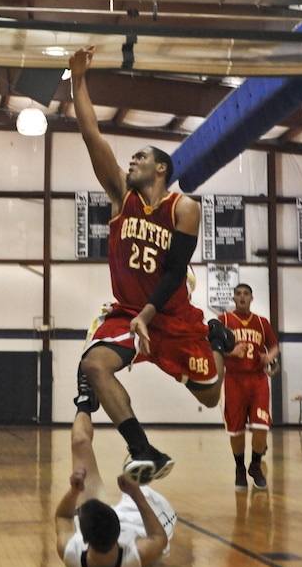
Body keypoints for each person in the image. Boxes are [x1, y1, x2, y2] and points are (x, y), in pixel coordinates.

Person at [69, 46, 234, 485]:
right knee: (94, 365)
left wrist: (150, 313)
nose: (132, 162)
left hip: (171, 316)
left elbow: (175, 272)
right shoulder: (122, 196)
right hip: (128, 312)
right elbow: (92, 136)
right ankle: (143, 449)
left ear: (161, 167)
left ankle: (218, 341)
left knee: (211, 397)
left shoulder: (185, 208)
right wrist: (77, 79)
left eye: (140, 157)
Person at [55, 396, 176, 567]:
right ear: (119, 533)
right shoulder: (138, 553)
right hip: (147, 517)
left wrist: (74, 491)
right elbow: (159, 538)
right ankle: (149, 459)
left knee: (79, 442)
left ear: (84, 539)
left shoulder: (72, 553)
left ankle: (84, 400)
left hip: (106, 527)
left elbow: (63, 516)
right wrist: (136, 494)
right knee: (143, 488)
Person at [218, 283, 279, 490]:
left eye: (246, 294)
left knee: (261, 426)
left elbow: (274, 346)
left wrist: (269, 357)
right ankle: (239, 468)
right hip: (234, 380)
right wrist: (231, 353)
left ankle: (255, 464)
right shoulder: (223, 321)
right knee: (236, 431)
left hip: (258, 380)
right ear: (233, 298)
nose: (242, 297)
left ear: (251, 298)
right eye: (238, 294)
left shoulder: (262, 323)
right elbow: (211, 348)